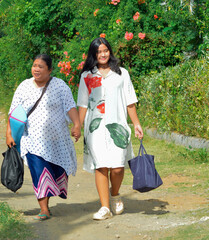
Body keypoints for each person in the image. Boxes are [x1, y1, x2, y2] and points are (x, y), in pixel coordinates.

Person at [6, 54, 81, 221]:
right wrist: (8, 133)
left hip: (57, 140)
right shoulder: (24, 86)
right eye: (34, 65)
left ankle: (47, 201)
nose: (36, 69)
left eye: (40, 66)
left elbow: (70, 106)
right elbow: (14, 113)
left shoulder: (60, 86)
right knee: (39, 172)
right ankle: (44, 208)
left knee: (55, 171)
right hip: (32, 140)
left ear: (50, 70)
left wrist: (76, 125)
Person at [77, 37, 143, 220]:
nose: (102, 54)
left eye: (105, 50)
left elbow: (130, 102)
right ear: (93, 55)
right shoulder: (87, 76)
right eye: (98, 52)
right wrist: (78, 126)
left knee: (117, 168)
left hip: (118, 126)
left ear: (110, 51)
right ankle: (105, 207)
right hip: (94, 129)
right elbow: (82, 104)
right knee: (101, 166)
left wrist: (136, 124)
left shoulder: (122, 74)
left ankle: (115, 194)